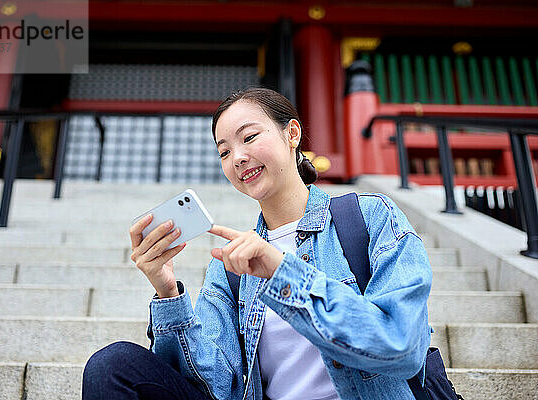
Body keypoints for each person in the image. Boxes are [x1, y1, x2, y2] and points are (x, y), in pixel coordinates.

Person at [82, 87, 433, 400]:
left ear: (291, 133)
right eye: (224, 152)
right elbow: (219, 386)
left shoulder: (368, 217)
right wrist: (168, 293)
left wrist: (282, 272)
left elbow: (402, 347)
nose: (237, 158)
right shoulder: (230, 265)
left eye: (249, 138)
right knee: (113, 365)